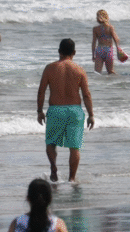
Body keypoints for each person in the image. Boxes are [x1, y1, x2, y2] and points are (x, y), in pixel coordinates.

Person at [37, 39, 94, 183]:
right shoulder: (79, 69)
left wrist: (39, 111)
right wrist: (91, 115)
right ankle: (72, 178)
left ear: (59, 51)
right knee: (74, 147)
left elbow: (41, 92)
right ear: (74, 53)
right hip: (75, 111)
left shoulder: (50, 68)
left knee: (51, 143)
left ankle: (54, 169)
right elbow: (86, 95)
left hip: (56, 111)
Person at [91, 9, 122, 74]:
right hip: (108, 50)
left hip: (99, 50)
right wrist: (118, 50)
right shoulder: (110, 27)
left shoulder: (95, 29)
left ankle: (98, 84)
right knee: (110, 71)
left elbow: (94, 43)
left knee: (97, 73)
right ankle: (117, 81)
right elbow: (116, 39)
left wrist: (93, 55)